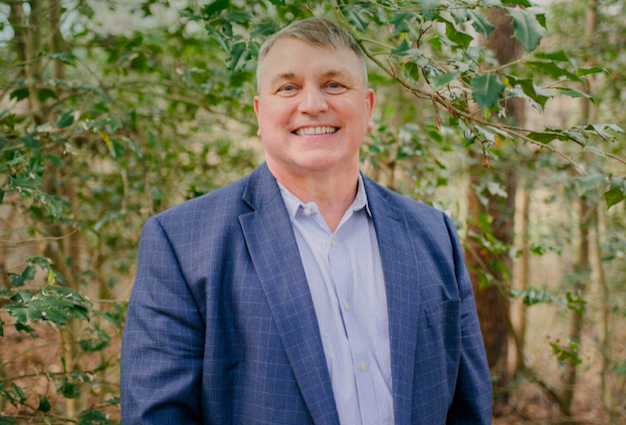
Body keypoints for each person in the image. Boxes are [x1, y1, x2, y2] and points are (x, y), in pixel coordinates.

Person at [120, 17, 492, 425]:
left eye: (334, 84)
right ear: (260, 114)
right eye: (288, 88)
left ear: (368, 108)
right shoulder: (181, 243)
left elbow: (469, 408)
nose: (313, 104)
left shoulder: (434, 234)